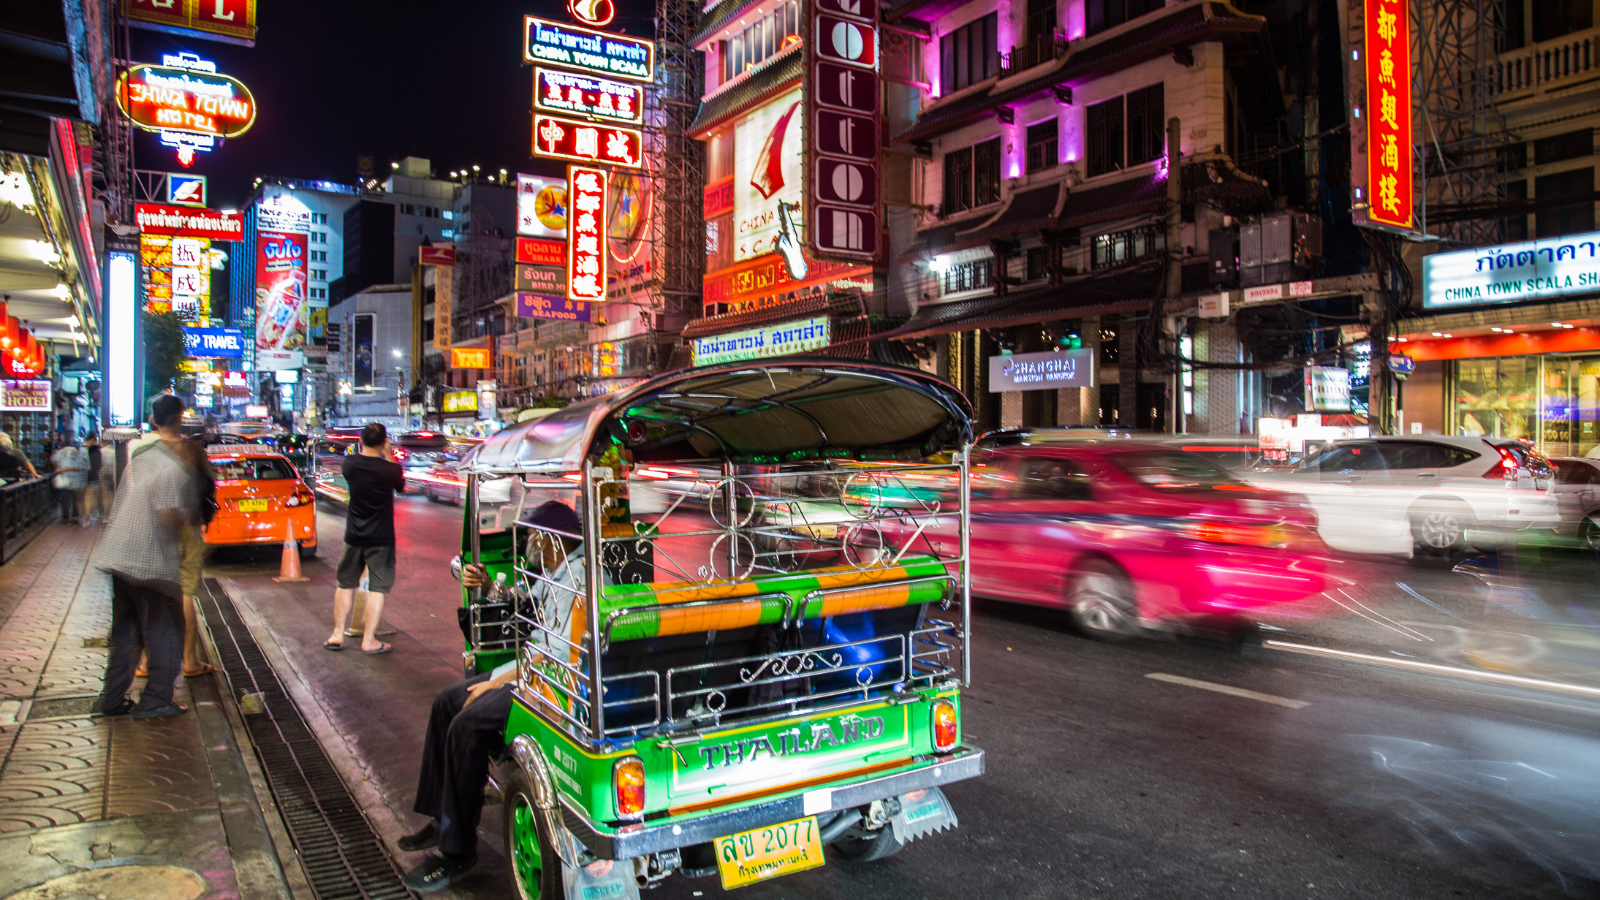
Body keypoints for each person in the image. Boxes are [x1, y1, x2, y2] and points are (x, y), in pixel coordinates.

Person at [401, 501, 587, 893]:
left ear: (553, 540)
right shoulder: (557, 570)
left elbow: (553, 657)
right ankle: (442, 815)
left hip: (550, 685)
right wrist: (488, 587)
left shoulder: (580, 580)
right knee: (446, 702)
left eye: (536, 537)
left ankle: (458, 849)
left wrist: (497, 682)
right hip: (529, 668)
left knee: (466, 725)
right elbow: (528, 604)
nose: (531, 544)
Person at [94, 395, 199, 719]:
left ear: (153, 421)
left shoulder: (138, 460)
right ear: (179, 420)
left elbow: (120, 502)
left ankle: (111, 701)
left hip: (117, 555)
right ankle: (155, 701)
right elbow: (167, 515)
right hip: (149, 563)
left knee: (125, 633)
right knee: (166, 629)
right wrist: (189, 521)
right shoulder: (173, 469)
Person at [326, 422, 406, 654]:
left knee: (345, 584)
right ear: (384, 442)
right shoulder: (389, 469)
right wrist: (389, 454)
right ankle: (369, 640)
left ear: (360, 441)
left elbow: (359, 462)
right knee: (377, 588)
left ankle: (337, 634)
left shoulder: (348, 464)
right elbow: (401, 486)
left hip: (354, 535)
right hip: (381, 538)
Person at [51, 438, 87, 523]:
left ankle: (65, 515)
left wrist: (58, 469)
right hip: (75, 479)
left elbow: (54, 461)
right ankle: (75, 515)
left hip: (64, 479)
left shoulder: (59, 452)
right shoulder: (77, 452)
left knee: (65, 498)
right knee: (75, 498)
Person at [82, 435, 113, 525]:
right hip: (96, 476)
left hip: (82, 476)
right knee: (104, 496)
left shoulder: (82, 449)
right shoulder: (97, 451)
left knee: (85, 498)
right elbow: (99, 465)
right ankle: (105, 516)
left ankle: (85, 518)